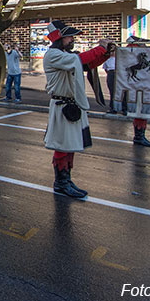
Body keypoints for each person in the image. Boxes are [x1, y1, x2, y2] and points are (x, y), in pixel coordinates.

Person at [43, 20, 111, 199]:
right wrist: (100, 49)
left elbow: (86, 65)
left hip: (70, 106)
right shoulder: (53, 55)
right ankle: (60, 183)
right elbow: (80, 60)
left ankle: (66, 180)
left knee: (70, 145)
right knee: (62, 146)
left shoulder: (65, 55)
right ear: (59, 38)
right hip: (62, 106)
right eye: (69, 36)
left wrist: (106, 54)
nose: (72, 39)